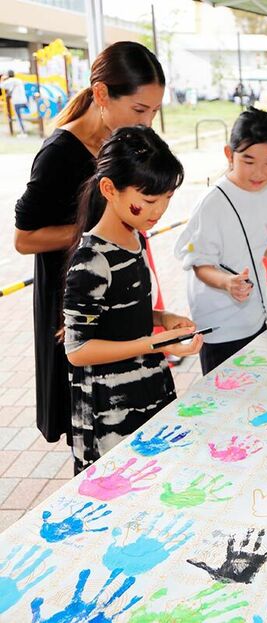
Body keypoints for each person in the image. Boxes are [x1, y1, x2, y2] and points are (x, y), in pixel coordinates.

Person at [14, 41, 165, 446]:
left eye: (153, 111)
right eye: (139, 110)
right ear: (101, 94)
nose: (148, 121)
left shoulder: (121, 142)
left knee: (130, 413)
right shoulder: (58, 154)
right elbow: (23, 239)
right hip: (74, 303)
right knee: (91, 423)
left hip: (116, 295)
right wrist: (97, 233)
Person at [63, 126, 201, 473]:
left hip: (147, 384)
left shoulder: (133, 236)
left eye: (167, 198)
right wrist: (152, 344)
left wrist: (163, 318)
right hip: (109, 407)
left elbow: (123, 310)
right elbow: (77, 351)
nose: (160, 210)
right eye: (150, 200)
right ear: (109, 189)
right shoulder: (92, 258)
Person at [175, 108, 267, 375]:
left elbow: (265, 242)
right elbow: (199, 264)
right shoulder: (212, 203)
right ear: (229, 154)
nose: (259, 172)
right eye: (249, 161)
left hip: (255, 315)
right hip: (220, 325)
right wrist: (227, 283)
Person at [1, 69, 28, 135]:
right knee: (22, 116)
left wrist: (3, 79)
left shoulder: (9, 81)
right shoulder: (18, 80)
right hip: (24, 100)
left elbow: (1, 86)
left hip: (17, 102)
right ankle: (24, 130)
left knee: (19, 118)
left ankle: (23, 132)